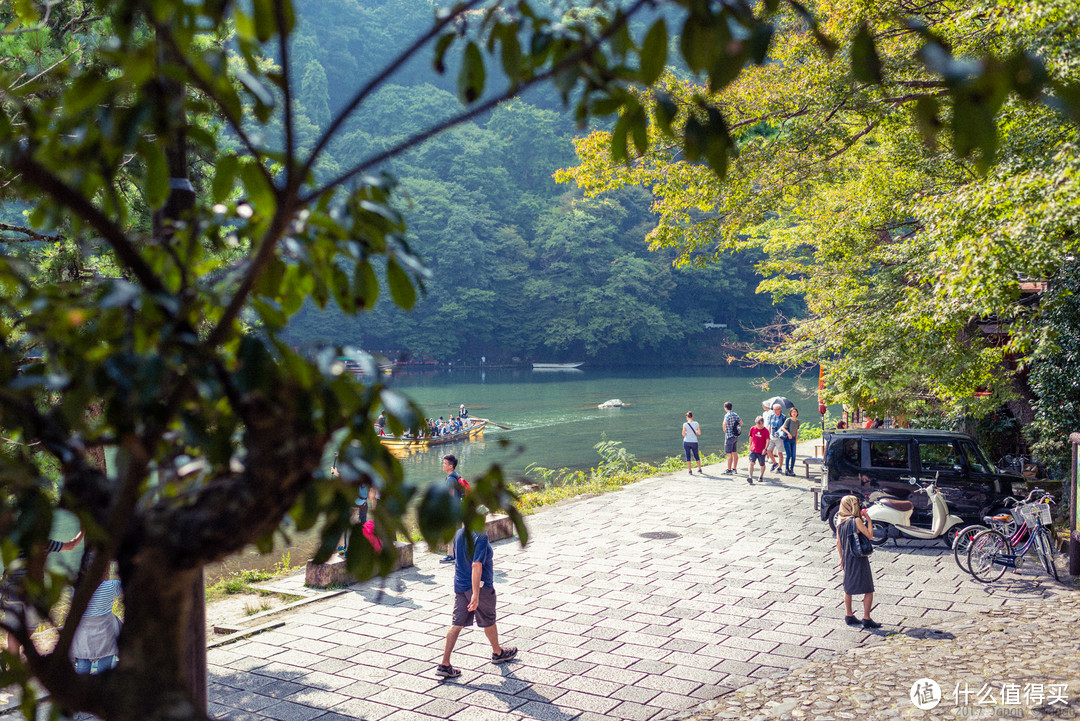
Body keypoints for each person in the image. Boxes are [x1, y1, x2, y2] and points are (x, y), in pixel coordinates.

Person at [435, 526, 517, 678]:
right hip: (480, 587)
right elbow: (476, 564)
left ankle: (444, 663)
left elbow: (459, 559)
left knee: (456, 624)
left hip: (460, 585)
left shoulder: (459, 532)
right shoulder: (481, 536)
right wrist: (476, 594)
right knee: (489, 620)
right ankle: (497, 653)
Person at [2, 529, 84, 660]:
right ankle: (22, 664)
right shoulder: (43, 542)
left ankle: (15, 667)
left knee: (14, 634)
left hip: (12, 590)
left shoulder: (11, 539)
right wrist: (84, 530)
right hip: (32, 591)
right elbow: (71, 545)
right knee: (28, 631)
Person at [70, 551, 123, 675]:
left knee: (82, 667)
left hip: (83, 639)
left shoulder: (76, 590)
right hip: (105, 638)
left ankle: (80, 691)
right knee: (104, 671)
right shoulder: (112, 585)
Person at [834, 495, 880, 629]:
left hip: (847, 557)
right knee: (868, 588)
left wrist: (842, 558)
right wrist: (869, 520)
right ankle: (866, 618)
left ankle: (849, 615)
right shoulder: (855, 521)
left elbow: (838, 542)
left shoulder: (840, 521)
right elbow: (870, 535)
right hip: (858, 557)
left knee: (848, 588)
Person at [440, 455, 465, 563]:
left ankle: (451, 555)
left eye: (445, 463)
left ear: (451, 466)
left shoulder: (450, 479)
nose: (443, 465)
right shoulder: (456, 475)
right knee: (457, 532)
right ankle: (458, 554)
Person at [747, 416, 770, 484]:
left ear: (763, 423)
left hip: (761, 450)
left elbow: (767, 441)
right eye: (757, 424)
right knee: (751, 463)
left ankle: (761, 476)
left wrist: (765, 449)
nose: (759, 425)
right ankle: (750, 477)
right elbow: (751, 437)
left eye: (760, 424)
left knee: (762, 464)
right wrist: (750, 445)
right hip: (753, 449)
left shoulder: (766, 431)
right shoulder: (753, 428)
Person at [765, 403, 786, 472]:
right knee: (768, 450)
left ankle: (780, 467)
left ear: (780, 409)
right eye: (774, 409)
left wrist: (780, 433)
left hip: (779, 437)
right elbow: (770, 426)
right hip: (772, 436)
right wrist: (768, 434)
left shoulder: (783, 417)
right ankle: (775, 463)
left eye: (776, 409)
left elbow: (785, 427)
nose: (775, 411)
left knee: (780, 453)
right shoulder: (772, 416)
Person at [722, 402, 742, 475]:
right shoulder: (735, 414)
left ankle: (729, 470)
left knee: (729, 454)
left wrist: (725, 429)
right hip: (735, 436)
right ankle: (734, 469)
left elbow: (724, 423)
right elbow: (741, 423)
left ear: (725, 408)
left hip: (729, 436)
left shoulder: (727, 415)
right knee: (735, 452)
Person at [781, 407, 801, 476]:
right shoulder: (788, 420)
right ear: (790, 413)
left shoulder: (797, 421)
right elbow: (783, 428)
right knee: (788, 455)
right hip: (787, 439)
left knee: (794, 456)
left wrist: (796, 440)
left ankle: (791, 469)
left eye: (795, 412)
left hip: (793, 439)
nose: (794, 413)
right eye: (792, 412)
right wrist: (788, 433)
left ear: (797, 413)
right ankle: (786, 469)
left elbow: (797, 431)